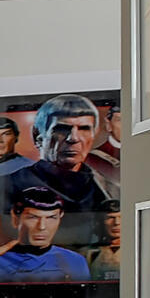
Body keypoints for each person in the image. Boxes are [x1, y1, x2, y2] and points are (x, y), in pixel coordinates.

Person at [24, 92, 117, 250]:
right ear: (37, 135)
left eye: (84, 129)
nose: (73, 138)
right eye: (62, 129)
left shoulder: (111, 192)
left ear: (93, 135)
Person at [0, 185, 91, 284]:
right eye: (33, 217)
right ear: (15, 218)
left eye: (51, 218)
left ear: (60, 217)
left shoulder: (75, 261)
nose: (42, 227)